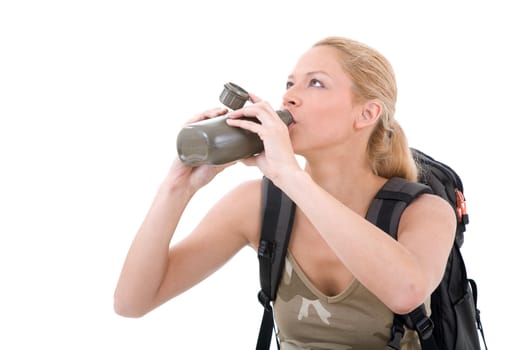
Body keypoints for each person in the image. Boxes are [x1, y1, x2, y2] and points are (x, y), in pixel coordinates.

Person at [114, 36, 456, 349]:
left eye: (316, 83)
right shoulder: (258, 206)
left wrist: (289, 175)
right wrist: (177, 186)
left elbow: (405, 293)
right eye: (290, 84)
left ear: (366, 113)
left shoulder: (424, 210)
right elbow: (133, 302)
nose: (289, 96)